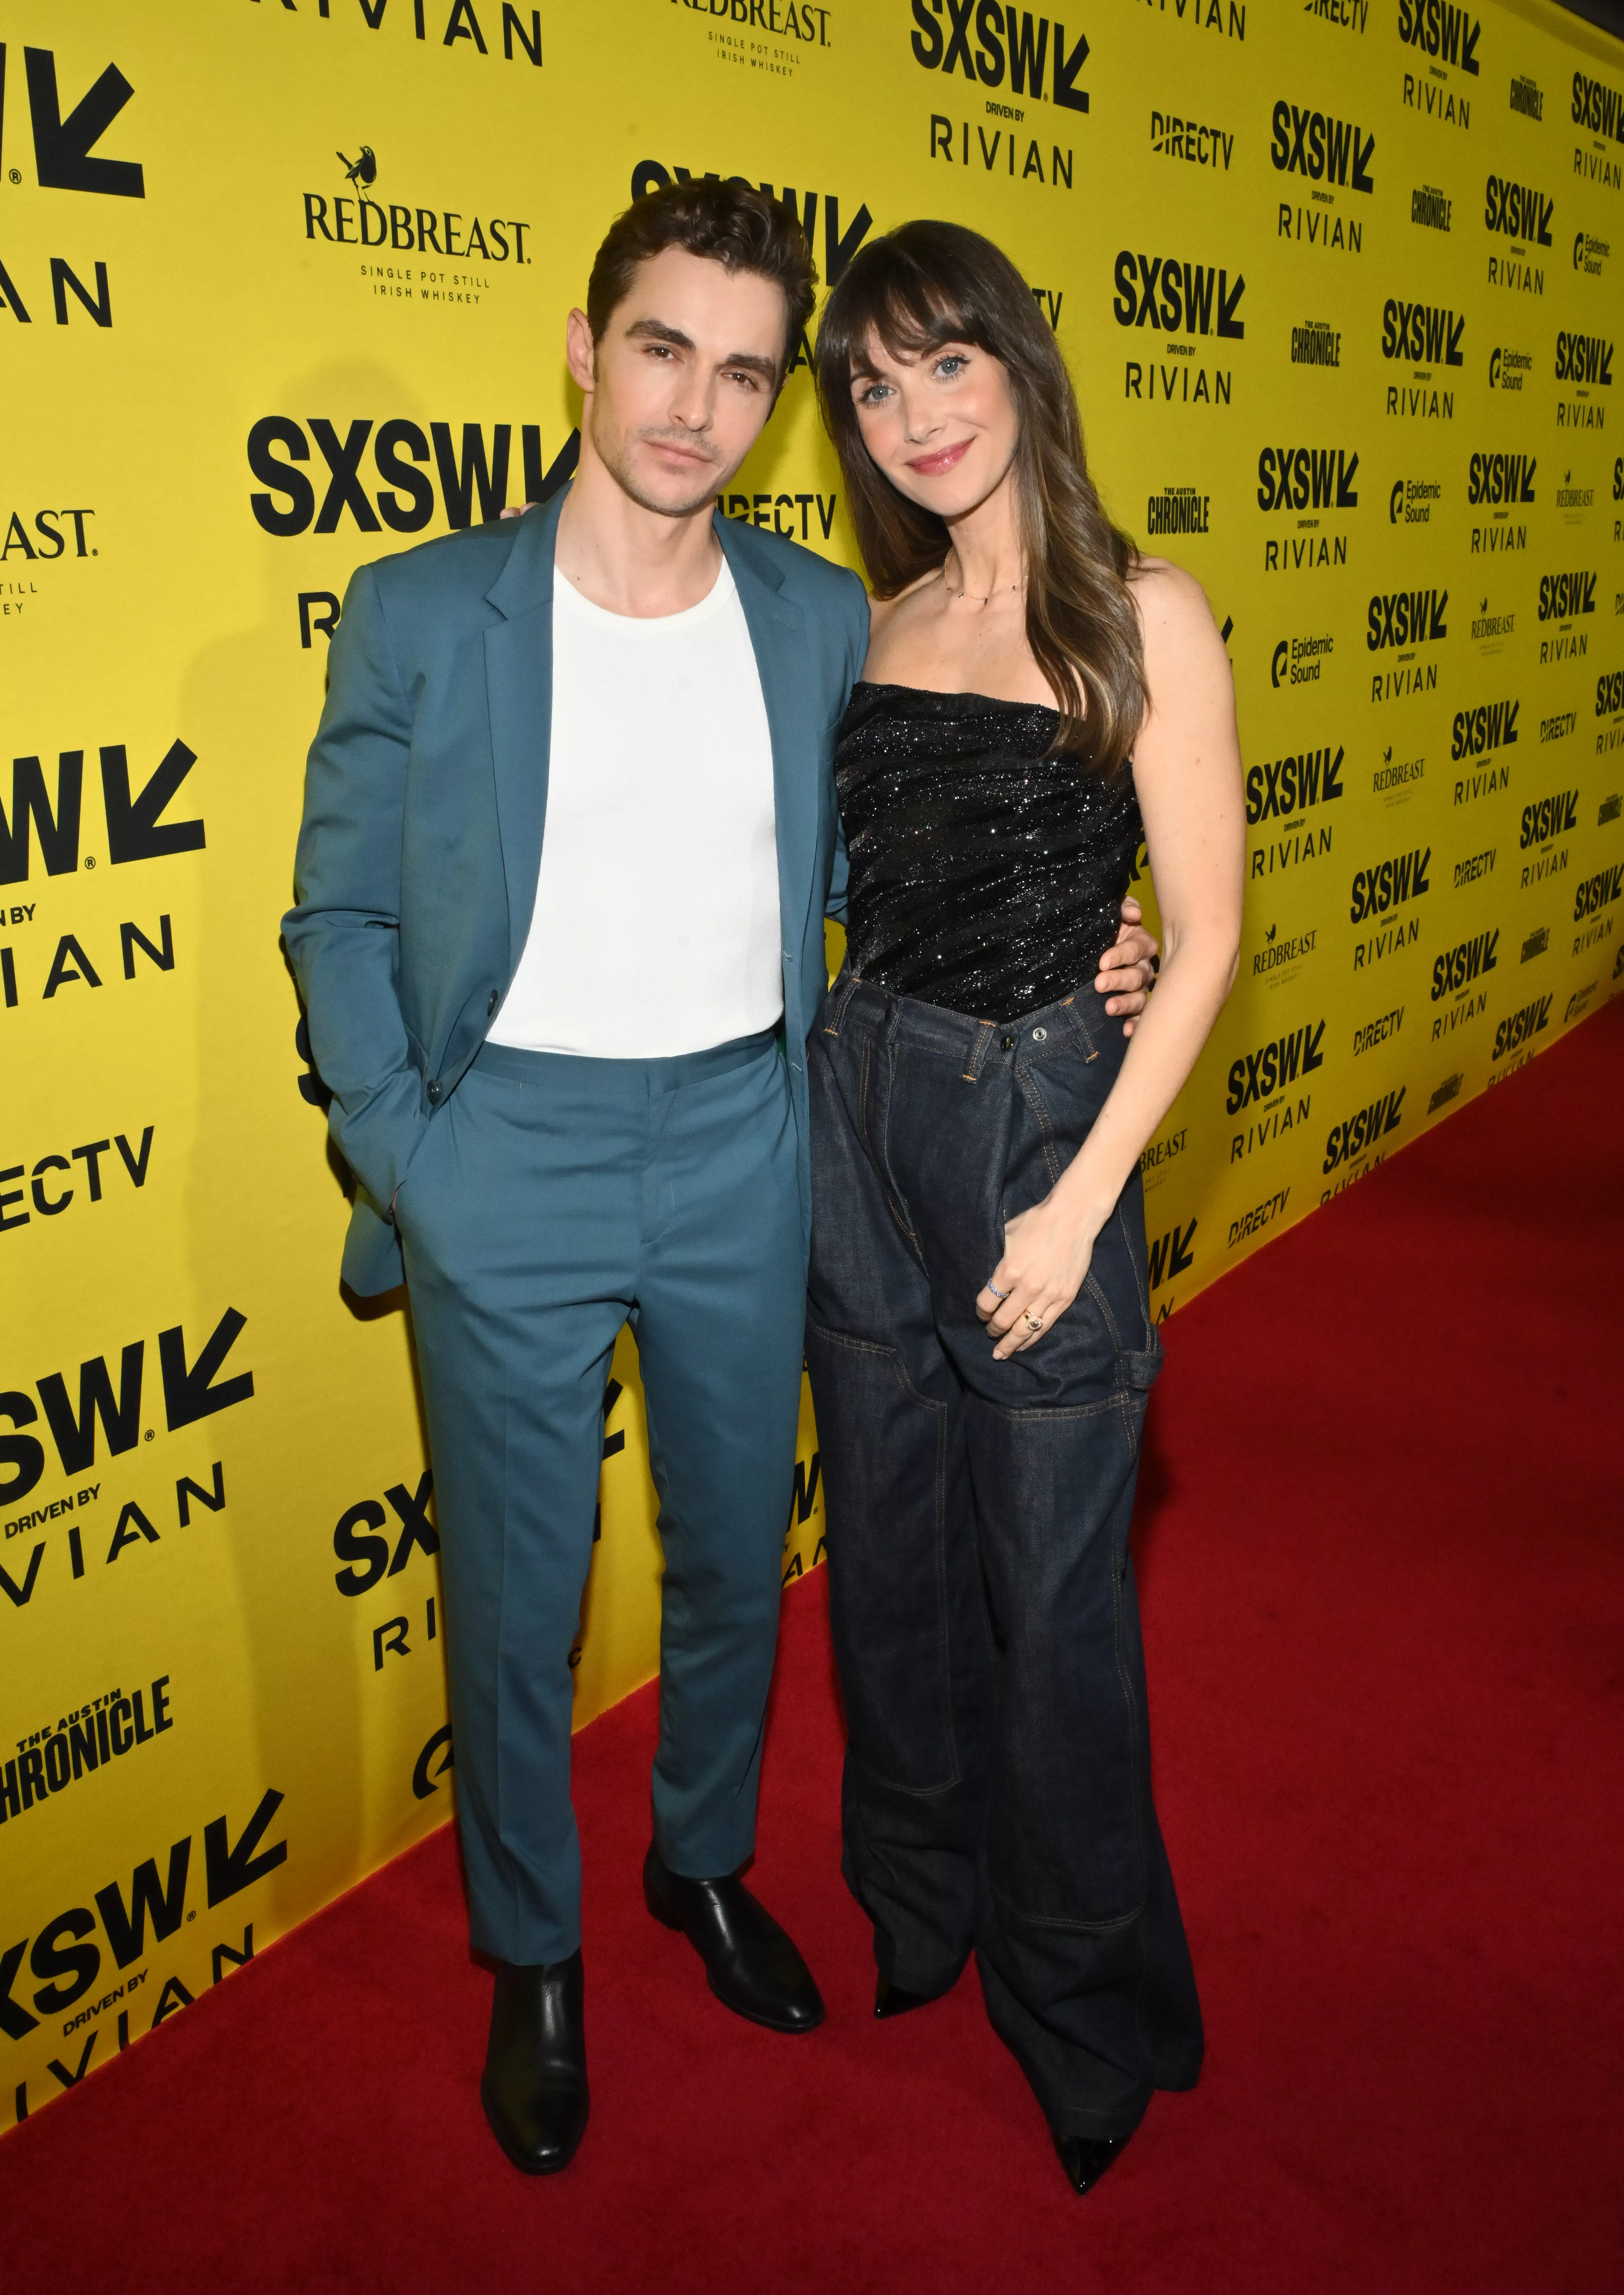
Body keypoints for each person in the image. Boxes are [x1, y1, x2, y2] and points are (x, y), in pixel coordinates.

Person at [286, 178, 1159, 2177]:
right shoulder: (428, 606)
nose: (694, 405)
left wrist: (1085, 927)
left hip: (748, 1144)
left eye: (745, 372)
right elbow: (334, 907)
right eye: (662, 348)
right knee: (514, 1597)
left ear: (777, 408)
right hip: (498, 1143)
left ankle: (698, 1866)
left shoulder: (807, 617)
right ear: (589, 348)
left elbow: (887, 867)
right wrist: (411, 1156)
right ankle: (534, 1950)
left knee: (729, 1566)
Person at [805, 220, 1244, 2197]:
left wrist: (1078, 1203)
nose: (914, 421)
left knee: (1055, 1602)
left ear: (1020, 366)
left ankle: (1081, 2009)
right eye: (874, 393)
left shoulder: (1141, 608)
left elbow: (1212, 935)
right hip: (855, 1108)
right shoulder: (871, 627)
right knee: (887, 1555)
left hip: (1033, 1127)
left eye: (943, 368)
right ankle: (914, 1898)